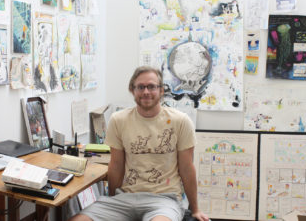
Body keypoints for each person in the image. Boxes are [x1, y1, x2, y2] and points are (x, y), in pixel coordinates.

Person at [70, 66, 209, 221]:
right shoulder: (118, 120)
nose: (146, 92)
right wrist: (111, 200)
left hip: (164, 201)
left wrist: (195, 209)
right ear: (132, 90)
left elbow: (187, 168)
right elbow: (116, 165)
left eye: (151, 86)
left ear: (161, 90)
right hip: (124, 198)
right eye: (140, 87)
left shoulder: (181, 121)